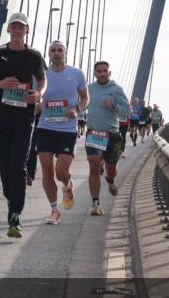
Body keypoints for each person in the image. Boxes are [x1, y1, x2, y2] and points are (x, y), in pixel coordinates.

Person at [0, 12, 47, 238]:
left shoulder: (34, 56)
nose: (17, 30)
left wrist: (38, 94)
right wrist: (1, 84)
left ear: (27, 31)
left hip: (24, 119)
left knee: (18, 166)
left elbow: (43, 80)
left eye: (21, 27)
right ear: (8, 30)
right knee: (6, 164)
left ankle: (16, 214)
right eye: (13, 27)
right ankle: (11, 198)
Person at [32, 41, 88, 224]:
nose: (56, 53)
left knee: (61, 172)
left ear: (65, 53)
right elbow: (34, 97)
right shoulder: (41, 76)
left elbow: (85, 98)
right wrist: (36, 105)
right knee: (47, 170)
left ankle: (67, 184)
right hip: (45, 127)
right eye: (53, 50)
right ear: (48, 54)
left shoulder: (76, 74)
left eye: (60, 50)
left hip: (67, 129)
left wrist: (77, 109)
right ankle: (54, 209)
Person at [85, 61, 130, 217]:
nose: (102, 73)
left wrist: (114, 107)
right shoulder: (89, 89)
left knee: (112, 169)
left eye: (105, 71)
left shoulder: (116, 90)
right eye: (99, 71)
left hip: (113, 135)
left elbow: (127, 112)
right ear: (95, 73)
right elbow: (79, 103)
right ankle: (95, 204)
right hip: (94, 133)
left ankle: (110, 180)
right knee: (94, 163)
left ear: (109, 73)